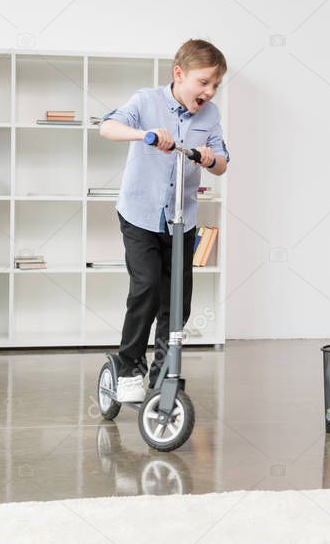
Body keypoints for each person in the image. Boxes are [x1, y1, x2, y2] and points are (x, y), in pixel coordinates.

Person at [99, 39, 230, 403]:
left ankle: (162, 374)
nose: (209, 91)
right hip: (140, 215)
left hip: (181, 220)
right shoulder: (146, 101)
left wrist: (207, 159)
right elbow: (107, 128)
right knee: (147, 287)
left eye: (215, 85)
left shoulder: (210, 115)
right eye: (204, 82)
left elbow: (222, 163)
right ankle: (127, 368)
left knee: (178, 302)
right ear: (179, 74)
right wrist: (147, 135)